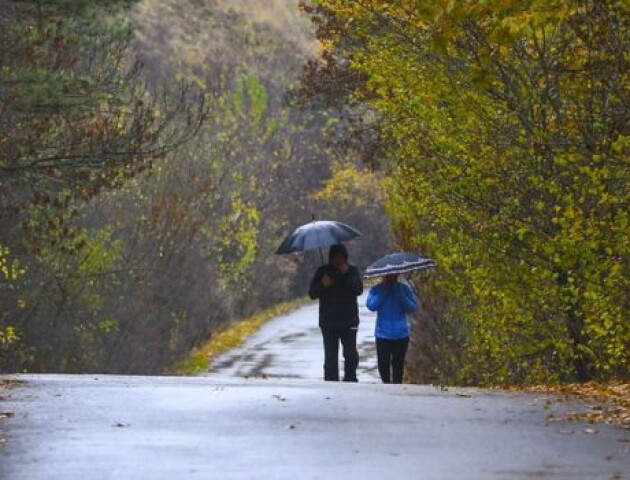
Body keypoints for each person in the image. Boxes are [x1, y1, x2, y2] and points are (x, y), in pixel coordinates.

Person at [309, 243, 363, 382]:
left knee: (350, 354)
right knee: (330, 357)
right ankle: (331, 382)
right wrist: (323, 285)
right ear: (330, 258)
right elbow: (312, 293)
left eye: (341, 258)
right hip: (328, 322)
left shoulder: (352, 271)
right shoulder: (323, 271)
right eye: (335, 258)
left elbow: (358, 289)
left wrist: (346, 275)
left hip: (349, 321)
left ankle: (350, 378)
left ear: (345, 258)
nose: (338, 261)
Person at [366, 273, 419, 384]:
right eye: (388, 276)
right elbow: (371, 306)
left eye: (394, 276)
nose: (391, 278)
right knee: (383, 365)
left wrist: (402, 297)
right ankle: (386, 385)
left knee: (398, 365)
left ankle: (397, 387)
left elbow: (412, 307)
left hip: (401, 334)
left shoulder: (403, 288)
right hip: (383, 334)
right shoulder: (376, 289)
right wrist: (383, 292)